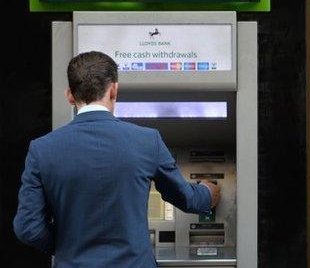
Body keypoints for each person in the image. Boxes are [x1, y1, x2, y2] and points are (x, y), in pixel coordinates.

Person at [13, 51, 221, 268]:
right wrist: (208, 193)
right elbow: (185, 197)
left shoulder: (42, 149)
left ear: (70, 96)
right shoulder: (147, 141)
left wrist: (68, 247)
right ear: (113, 90)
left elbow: (28, 227)